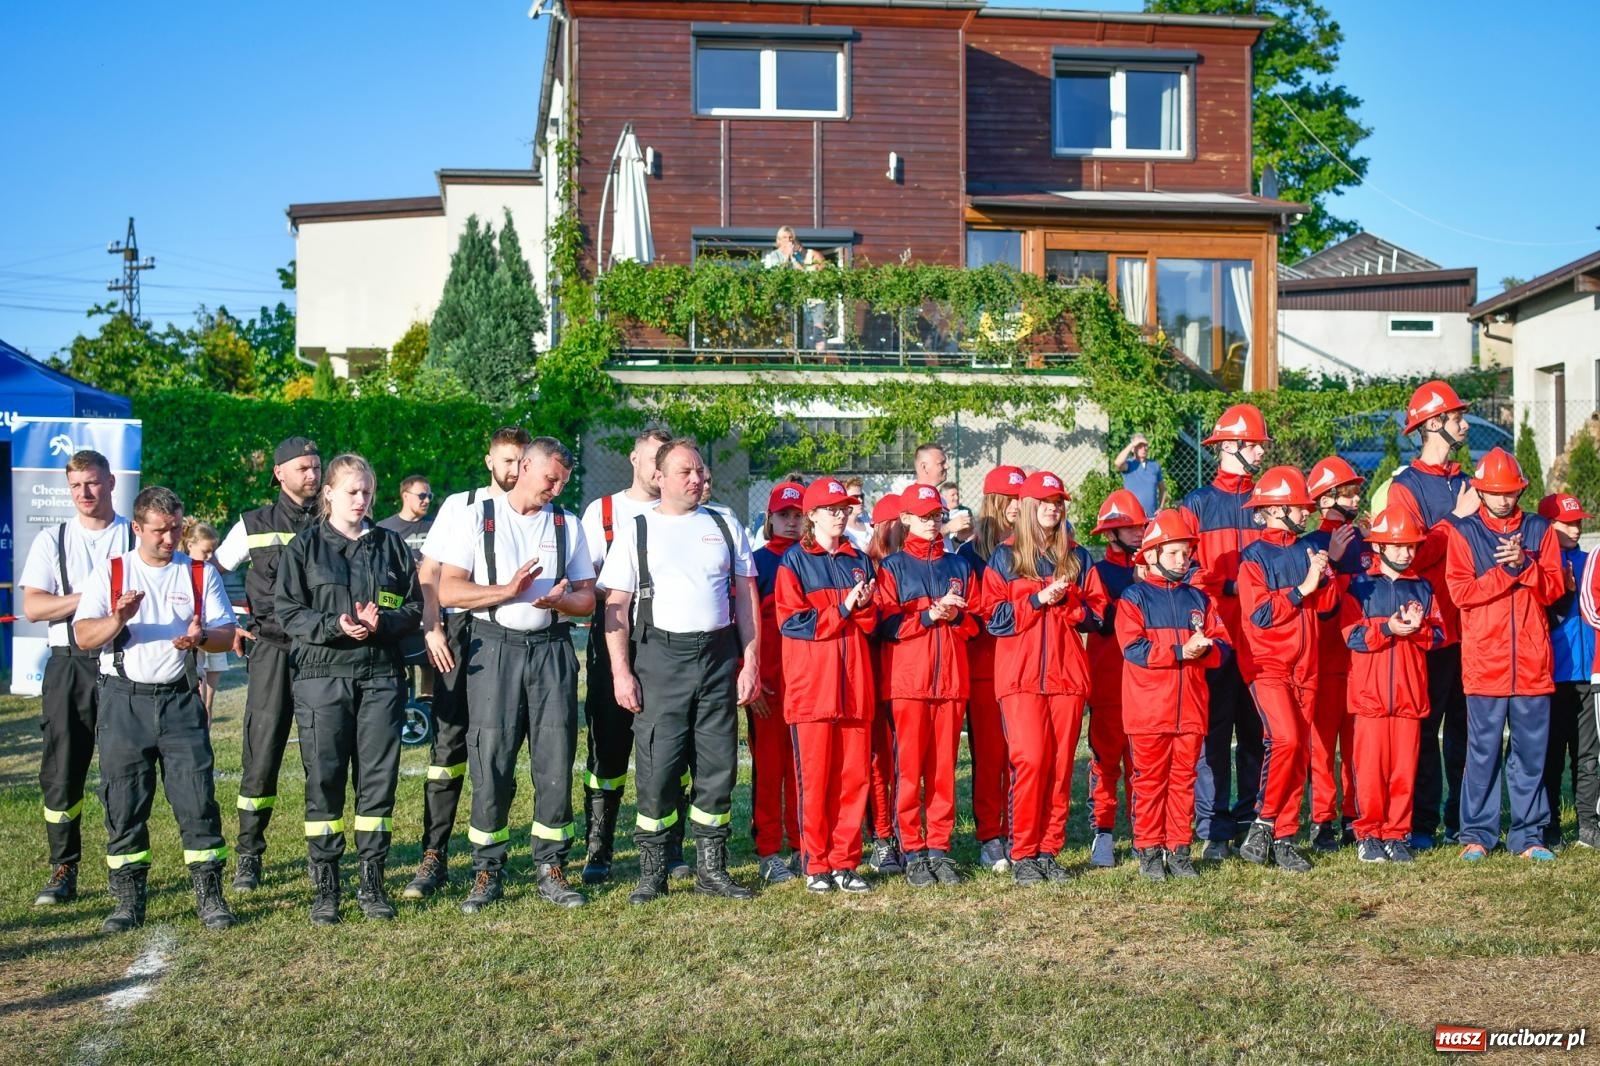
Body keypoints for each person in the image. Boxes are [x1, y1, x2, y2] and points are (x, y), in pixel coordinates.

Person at [434, 437, 596, 913]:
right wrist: (507, 591)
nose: (555, 488)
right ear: (525, 466)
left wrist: (560, 601)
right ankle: (487, 868)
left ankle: (551, 865)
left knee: (555, 757)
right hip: (494, 650)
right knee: (492, 759)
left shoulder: (567, 524)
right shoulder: (477, 517)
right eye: (551, 478)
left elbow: (587, 599)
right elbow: (448, 588)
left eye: (563, 482)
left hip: (551, 650)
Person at [602, 439, 761, 904]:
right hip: (660, 659)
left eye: (701, 471)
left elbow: (747, 598)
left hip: (717, 657)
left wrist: (749, 661)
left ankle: (713, 868)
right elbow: (616, 604)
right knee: (658, 766)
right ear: (661, 478)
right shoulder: (637, 528)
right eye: (686, 472)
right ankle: (654, 872)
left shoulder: (724, 522)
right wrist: (621, 672)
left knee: (718, 765)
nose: (697, 479)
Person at [72, 485, 238, 931]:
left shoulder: (199, 574)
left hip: (180, 699)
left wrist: (200, 638)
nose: (169, 539)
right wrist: (118, 619)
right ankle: (128, 900)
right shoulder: (111, 573)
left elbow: (227, 635)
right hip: (124, 700)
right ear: (137, 528)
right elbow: (84, 637)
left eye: (176, 530)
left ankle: (209, 895)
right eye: (160, 531)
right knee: (124, 802)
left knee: (197, 799)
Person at [276, 454, 422, 924]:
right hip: (322, 676)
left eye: (366, 492)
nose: (361, 500)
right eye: (352, 492)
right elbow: (288, 613)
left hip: (381, 676)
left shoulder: (392, 547)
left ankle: (372, 881)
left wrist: (385, 624)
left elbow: (413, 607)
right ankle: (326, 886)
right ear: (330, 495)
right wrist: (335, 625)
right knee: (325, 781)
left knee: (377, 782)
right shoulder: (304, 547)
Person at [403, 427, 529, 899]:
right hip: (461, 631)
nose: (515, 469)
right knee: (448, 745)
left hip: (510, 637)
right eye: (507, 460)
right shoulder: (461, 504)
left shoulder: (537, 511)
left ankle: (488, 860)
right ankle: (433, 855)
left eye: (521, 460)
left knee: (498, 746)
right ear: (490, 461)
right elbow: (430, 572)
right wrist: (432, 627)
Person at [19, 449, 134, 905]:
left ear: (110, 482)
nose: (84, 494)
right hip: (68, 663)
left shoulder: (131, 534)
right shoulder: (54, 538)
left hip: (119, 661)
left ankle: (123, 866)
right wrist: (89, 597)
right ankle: (63, 866)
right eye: (75, 486)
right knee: (62, 770)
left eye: (91, 483)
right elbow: (33, 607)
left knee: (122, 770)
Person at [213, 435, 322, 892]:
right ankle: (249, 856)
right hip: (272, 652)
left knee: (325, 757)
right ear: (279, 473)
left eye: (317, 467)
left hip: (324, 653)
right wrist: (228, 622)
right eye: (303, 468)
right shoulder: (251, 523)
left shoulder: (336, 520)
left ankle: (324, 859)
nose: (312, 475)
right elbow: (212, 573)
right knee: (261, 756)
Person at [1443, 448, 1563, 861]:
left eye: (1509, 492)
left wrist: (1527, 567)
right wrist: (1506, 572)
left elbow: (1553, 590)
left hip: (1532, 664)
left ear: (1520, 491)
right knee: (1482, 753)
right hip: (1485, 665)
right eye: (1494, 492)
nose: (1502, 499)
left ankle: (1529, 836)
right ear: (1479, 490)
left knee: (1531, 755)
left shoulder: (1539, 530)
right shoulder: (1462, 533)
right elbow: (1461, 594)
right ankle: (1476, 834)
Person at [983, 471, 1094, 885]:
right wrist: (1035, 600)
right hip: (1020, 678)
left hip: (1068, 677)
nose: (1053, 507)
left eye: (1059, 501)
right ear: (1027, 508)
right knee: (1030, 760)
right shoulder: (1004, 557)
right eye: (1045, 501)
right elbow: (994, 619)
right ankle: (1023, 851)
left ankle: (1049, 850)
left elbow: (1098, 616)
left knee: (1062, 766)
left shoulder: (1079, 556)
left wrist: (1068, 606)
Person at [1386, 380, 1479, 849]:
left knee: (1467, 732)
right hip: (1432, 630)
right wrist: (1457, 520)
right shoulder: (1406, 488)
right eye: (1456, 415)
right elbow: (1409, 558)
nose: (1464, 421)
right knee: (1424, 729)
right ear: (1433, 424)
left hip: (1474, 630)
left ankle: (1464, 822)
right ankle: (1421, 825)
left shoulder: (1468, 481)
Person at [577, 427, 672, 884]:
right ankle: (599, 846)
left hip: (666, 643)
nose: (657, 470)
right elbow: (585, 579)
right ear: (634, 459)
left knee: (671, 746)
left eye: (665, 461)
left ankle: (669, 846)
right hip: (613, 636)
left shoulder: (678, 513)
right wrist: (625, 584)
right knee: (608, 747)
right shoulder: (605, 511)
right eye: (651, 459)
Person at [1115, 509, 1231, 882]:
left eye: (1186, 554)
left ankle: (1178, 849)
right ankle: (1149, 850)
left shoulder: (1198, 599)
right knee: (1149, 782)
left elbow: (1224, 645)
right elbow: (1133, 648)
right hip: (1149, 711)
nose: (1183, 561)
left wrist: (1207, 651)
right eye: (1174, 554)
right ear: (1151, 555)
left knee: (1183, 781)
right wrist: (1182, 652)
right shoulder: (1134, 597)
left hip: (1191, 709)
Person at [776, 477, 877, 894]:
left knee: (854, 778)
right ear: (811, 515)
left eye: (844, 508)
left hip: (855, 685)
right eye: (831, 509)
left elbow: (874, 621)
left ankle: (845, 861)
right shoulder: (794, 562)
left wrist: (863, 607)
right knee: (815, 780)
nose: (840, 514)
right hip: (813, 689)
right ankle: (816, 861)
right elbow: (793, 623)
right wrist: (845, 608)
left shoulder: (859, 558)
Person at [875, 483, 980, 887]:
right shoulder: (894, 566)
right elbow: (884, 625)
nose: (932, 523)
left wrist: (955, 617)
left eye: (936, 515)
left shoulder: (959, 565)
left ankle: (939, 847)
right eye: (922, 517)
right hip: (908, 683)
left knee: (943, 771)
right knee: (909, 771)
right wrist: (927, 615)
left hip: (951, 681)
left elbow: (976, 624)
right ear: (904, 520)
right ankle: (912, 850)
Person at [1235, 466, 1336, 873]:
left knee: (1300, 752)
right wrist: (1301, 589)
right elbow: (1259, 614)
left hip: (1306, 667)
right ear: (1277, 508)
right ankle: (1263, 820)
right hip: (1268, 666)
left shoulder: (1306, 550)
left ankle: (1283, 836)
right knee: (1287, 741)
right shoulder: (1253, 557)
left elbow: (1326, 610)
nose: (1308, 514)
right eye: (1300, 507)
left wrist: (1325, 580)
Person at [1179, 403, 1269, 859]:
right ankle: (1214, 827)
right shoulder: (1197, 504)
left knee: (1257, 733)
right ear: (1230, 446)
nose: (1260, 452)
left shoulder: (1269, 501)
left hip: (1262, 640)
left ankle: (1254, 820)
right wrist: (1230, 586)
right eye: (1254, 444)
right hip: (1216, 643)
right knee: (1212, 735)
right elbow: (1182, 569)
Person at [1340, 505, 1446, 864]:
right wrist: (1387, 628)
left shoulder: (1423, 588)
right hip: (1369, 700)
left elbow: (1439, 636)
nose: (1406, 552)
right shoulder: (1360, 587)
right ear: (1380, 547)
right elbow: (1351, 635)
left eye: (1412, 546)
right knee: (1369, 773)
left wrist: (1419, 630)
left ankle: (1397, 834)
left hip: (1410, 698)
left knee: (1404, 771)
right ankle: (1368, 834)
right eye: (1397, 545)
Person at [956, 465, 1025, 872]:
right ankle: (990, 836)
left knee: (1022, 753)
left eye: (1022, 499)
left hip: (1023, 663)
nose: (1018, 506)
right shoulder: (970, 554)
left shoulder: (1032, 548)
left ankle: (1021, 827)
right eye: (1010, 499)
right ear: (995, 502)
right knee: (990, 755)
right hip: (984, 666)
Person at [1301, 456, 1369, 850]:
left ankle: (1354, 814)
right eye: (1348, 492)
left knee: (1357, 745)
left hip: (1359, 660)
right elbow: (1320, 606)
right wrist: (1336, 564)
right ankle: (1323, 821)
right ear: (1325, 498)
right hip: (1324, 660)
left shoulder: (1365, 539)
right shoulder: (1310, 545)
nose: (1356, 499)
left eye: (1357, 492)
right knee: (1322, 745)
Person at [1083, 488, 1149, 869]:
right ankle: (1103, 833)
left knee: (1143, 764)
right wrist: (1136, 589)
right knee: (1106, 761)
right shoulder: (1099, 571)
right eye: (1129, 528)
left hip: (1146, 685)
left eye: (1141, 526)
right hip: (1108, 683)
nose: (1139, 533)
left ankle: (1145, 834)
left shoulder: (1156, 568)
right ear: (1111, 535)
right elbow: (1101, 620)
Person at [749, 481, 806, 883]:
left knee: (805, 770)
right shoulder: (756, 562)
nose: (790, 522)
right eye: (783, 515)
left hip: (806, 685)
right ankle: (769, 848)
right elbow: (744, 624)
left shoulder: (812, 559)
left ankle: (805, 842)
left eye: (797, 515)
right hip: (769, 689)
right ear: (769, 519)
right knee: (770, 771)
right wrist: (750, 679)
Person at [1540, 493, 1594, 849]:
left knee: (1589, 754)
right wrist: (1562, 590)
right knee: (1550, 755)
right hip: (1551, 676)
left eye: (1578, 522)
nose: (1575, 529)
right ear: (1548, 527)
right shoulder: (1541, 567)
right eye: (1567, 523)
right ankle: (1549, 827)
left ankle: (1589, 823)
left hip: (1589, 674)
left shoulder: (1591, 562)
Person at [863, 493, 907, 876]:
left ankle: (906, 834)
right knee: (878, 761)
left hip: (906, 678)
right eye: (899, 523)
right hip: (873, 677)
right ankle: (881, 837)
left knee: (904, 762)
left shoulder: (916, 564)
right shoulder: (867, 564)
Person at [181, 519, 230, 721]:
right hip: (193, 643)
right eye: (206, 552)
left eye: (213, 552)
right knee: (197, 697)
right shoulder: (181, 571)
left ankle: (205, 739)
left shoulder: (210, 573)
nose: (210, 557)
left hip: (213, 638)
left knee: (208, 701)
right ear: (190, 545)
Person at [915, 443, 970, 544]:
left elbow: (944, 541)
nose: (947, 466)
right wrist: (949, 527)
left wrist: (960, 536)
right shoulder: (912, 499)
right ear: (924, 467)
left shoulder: (941, 500)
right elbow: (916, 540)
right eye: (941, 463)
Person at [378, 475, 434, 559]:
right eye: (422, 496)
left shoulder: (436, 526)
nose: (427, 501)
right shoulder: (384, 528)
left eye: (430, 496)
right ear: (405, 496)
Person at [1115, 434, 1166, 517]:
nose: (1144, 448)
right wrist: (1132, 444)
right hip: (1132, 518)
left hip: (1152, 517)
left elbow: (1163, 489)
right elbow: (1117, 463)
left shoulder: (1154, 465)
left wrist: (1161, 508)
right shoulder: (1128, 465)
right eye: (1139, 446)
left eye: (1145, 445)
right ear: (1133, 449)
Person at [843, 477, 873, 551]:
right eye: (855, 497)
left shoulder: (868, 520)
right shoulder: (841, 529)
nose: (860, 500)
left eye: (861, 496)